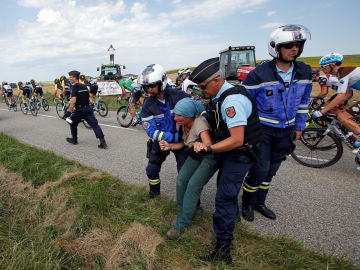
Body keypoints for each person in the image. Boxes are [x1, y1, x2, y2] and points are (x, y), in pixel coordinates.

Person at [188, 57, 262, 263]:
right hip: (236, 151)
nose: (201, 91)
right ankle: (233, 218)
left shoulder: (232, 101)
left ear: (217, 80)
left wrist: (209, 148)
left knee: (224, 198)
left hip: (240, 153)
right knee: (225, 189)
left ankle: (223, 252)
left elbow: (237, 139)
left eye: (203, 87)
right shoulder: (222, 94)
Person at [241, 24, 312, 223]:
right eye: (289, 45)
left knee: (271, 170)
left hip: (286, 131)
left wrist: (299, 126)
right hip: (262, 131)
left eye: (298, 45)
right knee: (259, 169)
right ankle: (246, 203)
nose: (294, 49)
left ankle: (259, 203)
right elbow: (245, 104)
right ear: (275, 47)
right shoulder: (258, 74)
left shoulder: (304, 72)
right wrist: (247, 133)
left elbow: (304, 103)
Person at [158, 98, 217, 239]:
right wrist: (169, 146)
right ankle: (183, 211)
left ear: (190, 115)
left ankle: (182, 224)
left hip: (209, 157)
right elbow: (184, 144)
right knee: (181, 180)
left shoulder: (199, 122)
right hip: (195, 155)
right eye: (175, 114)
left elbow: (208, 143)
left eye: (179, 115)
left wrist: (201, 145)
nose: (175, 117)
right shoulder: (181, 124)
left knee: (193, 186)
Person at [138, 64, 190, 198]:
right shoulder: (147, 105)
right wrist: (165, 138)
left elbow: (194, 116)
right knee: (151, 169)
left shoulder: (180, 97)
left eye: (152, 86)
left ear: (162, 82)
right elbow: (150, 130)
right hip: (161, 141)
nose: (149, 90)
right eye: (146, 87)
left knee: (185, 173)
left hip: (182, 141)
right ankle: (154, 195)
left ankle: (193, 204)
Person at [312, 53, 360, 147]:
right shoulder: (342, 74)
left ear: (332, 65)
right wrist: (332, 106)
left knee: (342, 117)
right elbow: (348, 94)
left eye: (324, 66)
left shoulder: (343, 73)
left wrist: (322, 111)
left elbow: (341, 96)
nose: (322, 69)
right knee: (341, 115)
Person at [63, 70, 107, 149]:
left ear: (74, 78)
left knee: (72, 123)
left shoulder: (73, 87)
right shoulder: (84, 86)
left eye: (70, 77)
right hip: (88, 109)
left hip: (79, 110)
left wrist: (68, 112)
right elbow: (89, 97)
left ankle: (74, 139)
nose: (69, 78)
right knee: (94, 125)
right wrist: (92, 104)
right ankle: (102, 142)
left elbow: (73, 102)